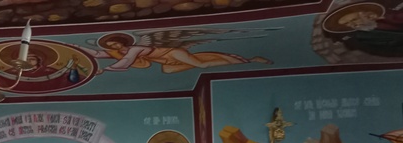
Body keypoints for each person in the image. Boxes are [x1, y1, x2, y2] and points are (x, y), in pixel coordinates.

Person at [82, 32, 270, 75]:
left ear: (122, 41)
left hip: (172, 53)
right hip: (166, 62)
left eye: (115, 43)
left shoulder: (133, 49)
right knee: (168, 71)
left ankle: (249, 60)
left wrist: (105, 70)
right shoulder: (120, 52)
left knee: (202, 64)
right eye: (111, 45)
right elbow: (97, 54)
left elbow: (126, 62)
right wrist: (74, 47)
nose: (114, 46)